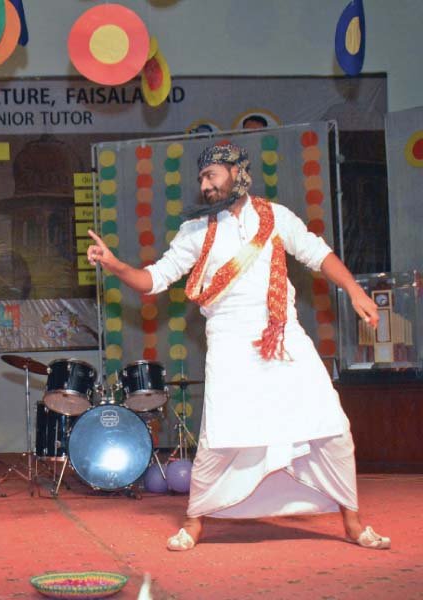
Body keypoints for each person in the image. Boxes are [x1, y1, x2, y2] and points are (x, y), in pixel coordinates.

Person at [86, 143, 390, 552]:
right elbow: (155, 279)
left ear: (237, 172)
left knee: (331, 425)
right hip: (229, 339)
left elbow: (318, 254)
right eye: (200, 179)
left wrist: (354, 290)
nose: (204, 185)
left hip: (283, 335)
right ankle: (195, 522)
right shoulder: (196, 231)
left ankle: (352, 522)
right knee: (222, 435)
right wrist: (116, 265)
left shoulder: (276, 216)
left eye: (211, 175)